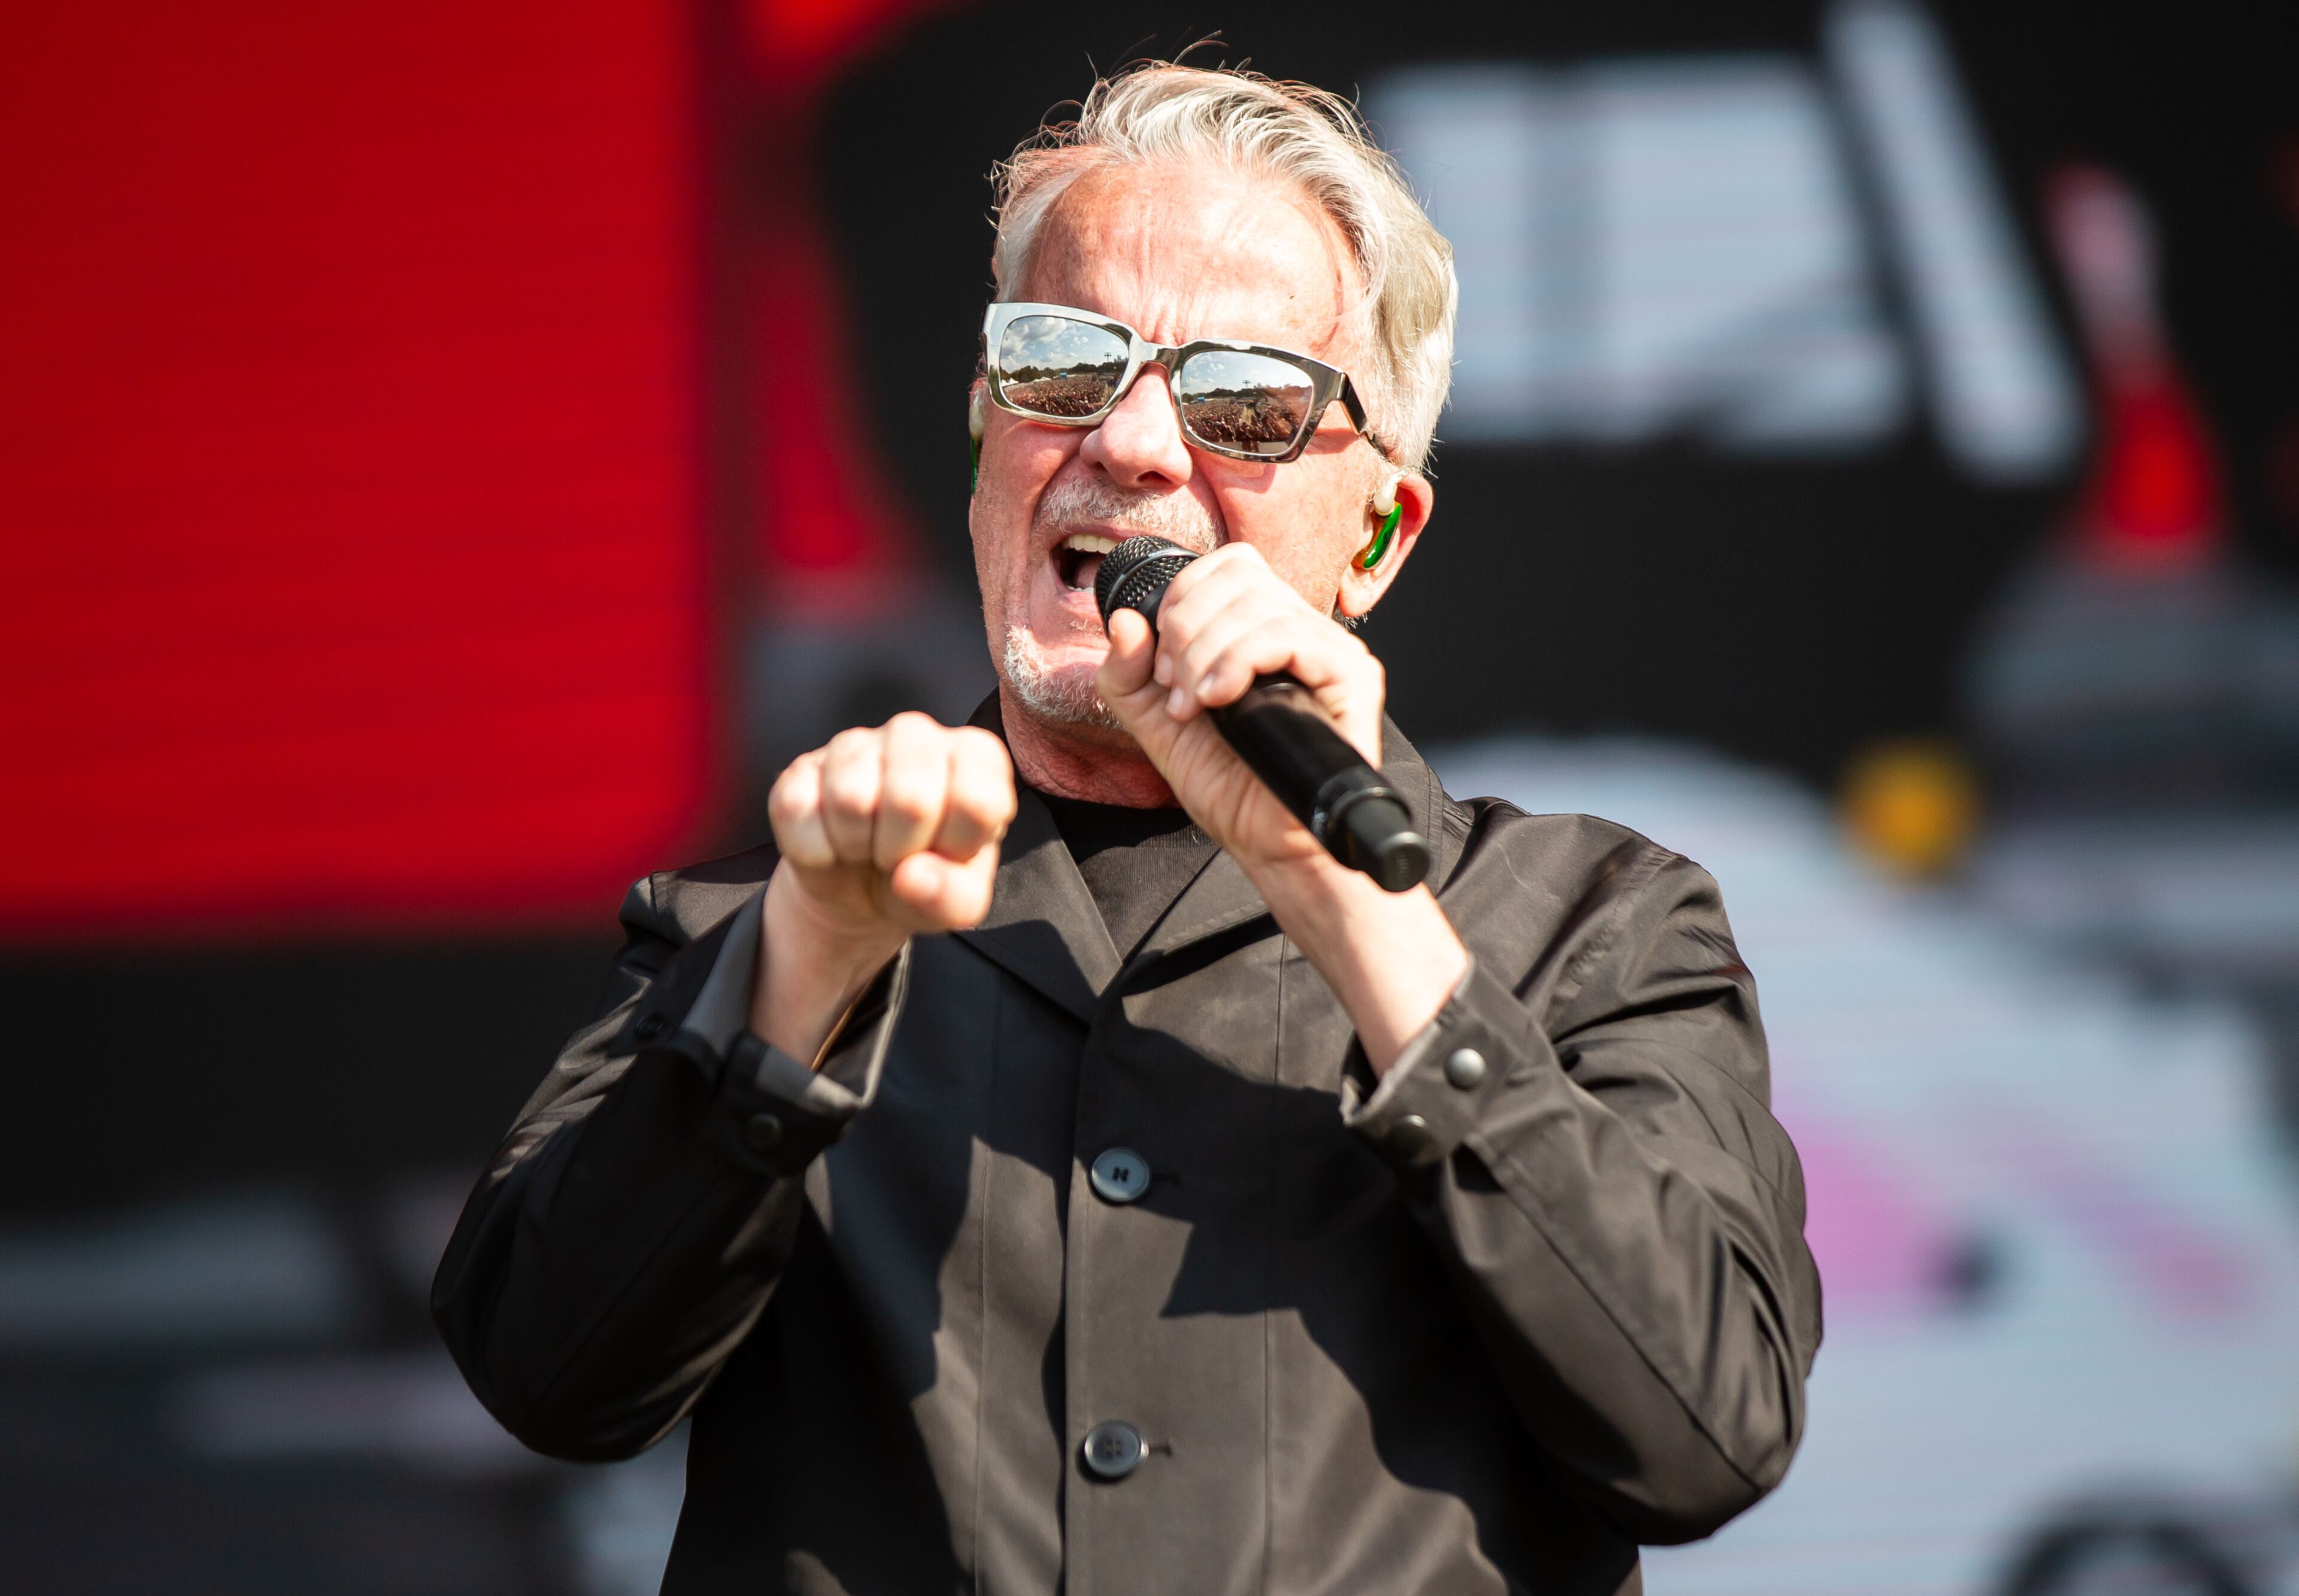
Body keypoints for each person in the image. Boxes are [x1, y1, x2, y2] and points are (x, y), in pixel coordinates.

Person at [435, 63, 1820, 1596]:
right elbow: (545, 1374)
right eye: (1061, 362)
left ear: (1376, 533)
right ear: (985, 441)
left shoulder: (1597, 922)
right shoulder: (763, 922)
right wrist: (804, 972)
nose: (1136, 444)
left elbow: (1707, 1427)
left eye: (1242, 399)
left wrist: (1346, 901)